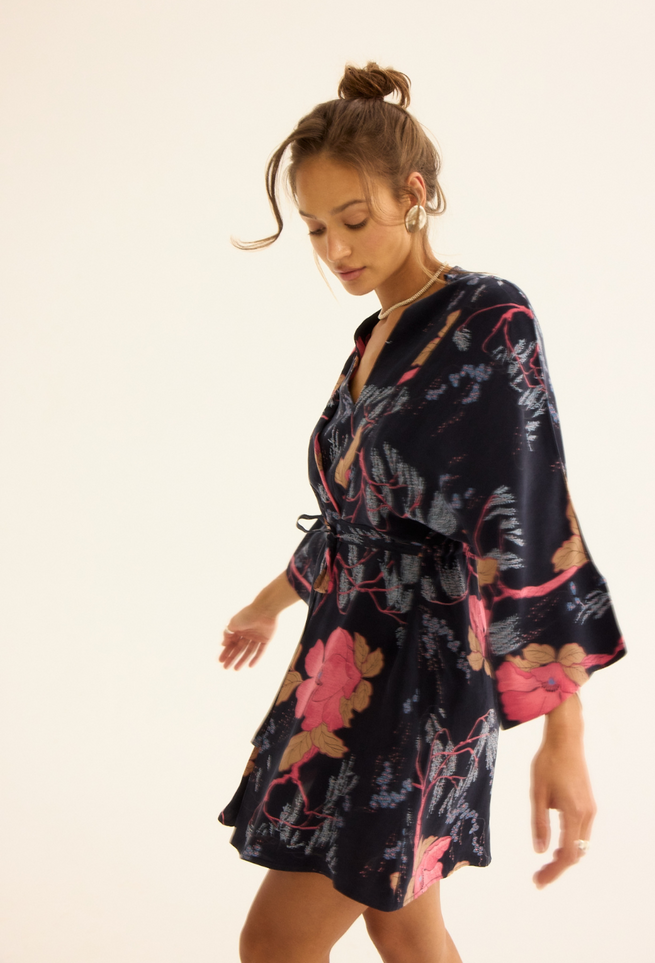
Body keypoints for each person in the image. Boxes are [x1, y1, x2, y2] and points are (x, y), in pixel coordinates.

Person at [217, 61, 626, 963]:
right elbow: (363, 524)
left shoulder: (486, 318)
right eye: (316, 228)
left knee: (275, 943)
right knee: (404, 929)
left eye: (353, 219)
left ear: (413, 194)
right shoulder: (375, 338)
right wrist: (266, 603)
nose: (335, 249)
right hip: (343, 657)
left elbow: (527, 515)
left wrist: (563, 732)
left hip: (417, 681)